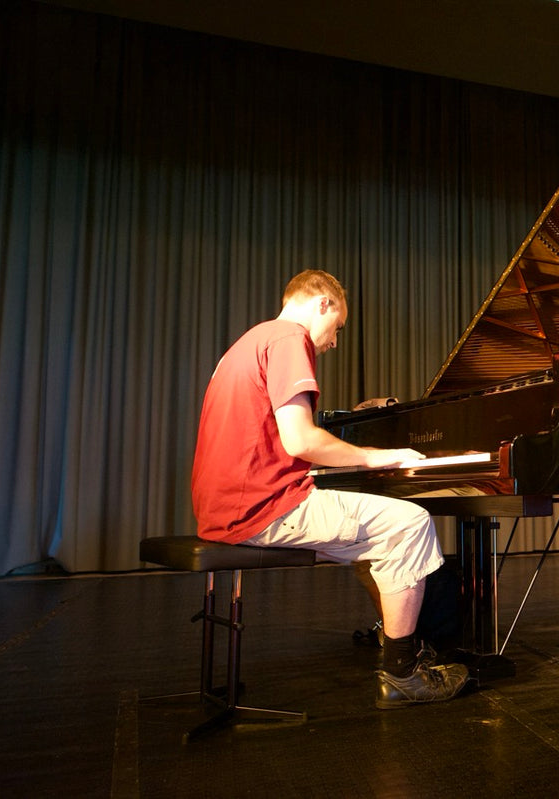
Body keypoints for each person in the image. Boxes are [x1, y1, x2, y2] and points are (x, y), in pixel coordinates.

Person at [190, 269, 469, 709]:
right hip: (262, 509)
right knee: (411, 523)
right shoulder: (287, 339)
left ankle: (407, 642)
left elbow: (273, 444)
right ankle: (403, 674)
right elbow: (301, 441)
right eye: (337, 327)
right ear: (322, 303)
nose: (334, 342)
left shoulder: (249, 342)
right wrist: (378, 455)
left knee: (381, 530)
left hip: (226, 505)